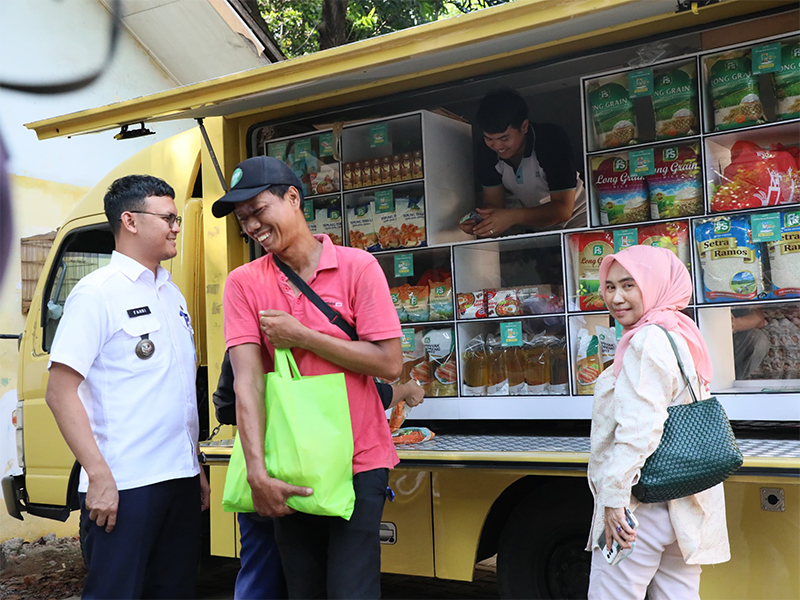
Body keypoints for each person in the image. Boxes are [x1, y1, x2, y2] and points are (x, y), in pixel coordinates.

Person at [213, 155, 403, 599]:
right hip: (290, 462)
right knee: (304, 589)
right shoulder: (243, 283)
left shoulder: (359, 267)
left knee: (351, 590)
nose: (252, 226)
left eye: (258, 210)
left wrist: (303, 335)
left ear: (293, 197)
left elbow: (390, 363)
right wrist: (257, 473)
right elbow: (247, 382)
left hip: (359, 458)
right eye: (243, 219)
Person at [44, 175, 210, 599]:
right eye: (169, 217)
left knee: (173, 591)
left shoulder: (171, 293)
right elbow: (60, 391)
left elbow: (173, 391)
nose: (176, 225)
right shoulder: (97, 293)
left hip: (179, 480)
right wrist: (98, 477)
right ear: (130, 221)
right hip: (124, 487)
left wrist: (194, 469)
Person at [211, 354, 423, 600]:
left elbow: (225, 408)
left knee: (261, 574)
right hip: (312, 474)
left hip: (262, 467)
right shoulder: (322, 342)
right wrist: (407, 389)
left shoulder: (247, 340)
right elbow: (363, 397)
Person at [586, 245, 730, 600]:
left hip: (642, 504)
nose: (616, 298)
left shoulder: (646, 341)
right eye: (610, 286)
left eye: (629, 285)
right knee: (676, 594)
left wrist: (614, 498)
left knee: (611, 595)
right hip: (684, 500)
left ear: (654, 284)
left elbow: (640, 427)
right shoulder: (676, 330)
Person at [461, 88, 587, 237]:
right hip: (535, 227)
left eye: (504, 138)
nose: (497, 146)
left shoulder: (551, 140)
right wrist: (479, 221)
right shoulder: (486, 151)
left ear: (524, 126)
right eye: (489, 138)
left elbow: (563, 210)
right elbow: (494, 205)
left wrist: (512, 217)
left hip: (579, 217)